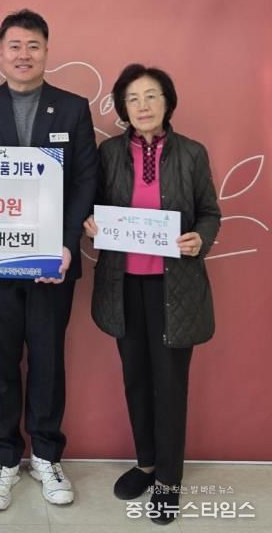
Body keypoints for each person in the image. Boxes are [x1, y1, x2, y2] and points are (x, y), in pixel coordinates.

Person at [0, 9, 97, 511]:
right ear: (0, 52)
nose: (23, 54)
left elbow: (85, 179)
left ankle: (46, 455)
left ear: (46, 51)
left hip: (52, 262)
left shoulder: (73, 108)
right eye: (14, 45)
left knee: (48, 358)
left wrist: (66, 243)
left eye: (33, 45)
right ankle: (3, 460)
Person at [84, 63, 221, 526]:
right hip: (123, 285)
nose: (142, 106)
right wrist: (90, 223)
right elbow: (93, 205)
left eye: (152, 96)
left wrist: (201, 238)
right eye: (133, 99)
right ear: (123, 107)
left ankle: (168, 479)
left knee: (170, 384)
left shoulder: (192, 153)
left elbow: (209, 212)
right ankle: (145, 462)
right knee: (136, 377)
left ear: (168, 102)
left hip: (174, 288)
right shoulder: (108, 153)